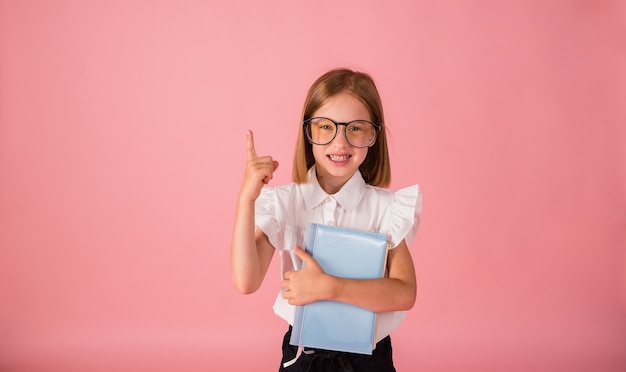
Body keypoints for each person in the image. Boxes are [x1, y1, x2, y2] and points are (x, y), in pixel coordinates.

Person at [231, 68, 422, 371]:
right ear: (308, 132)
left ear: (373, 134)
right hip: (304, 358)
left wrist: (329, 287)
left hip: (369, 362)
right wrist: (246, 200)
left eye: (355, 128)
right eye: (325, 127)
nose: (340, 142)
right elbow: (246, 280)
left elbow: (404, 293)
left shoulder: (386, 208)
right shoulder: (285, 202)